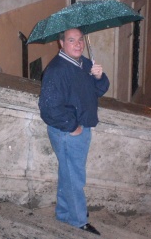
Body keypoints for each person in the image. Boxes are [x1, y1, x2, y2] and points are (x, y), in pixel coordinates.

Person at [38, 28, 110, 236]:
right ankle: (79, 222)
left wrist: (99, 77)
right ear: (61, 43)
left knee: (68, 174)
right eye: (71, 40)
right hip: (68, 132)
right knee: (75, 178)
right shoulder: (57, 70)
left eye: (80, 40)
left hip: (80, 127)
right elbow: (49, 108)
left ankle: (63, 213)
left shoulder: (83, 63)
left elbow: (99, 90)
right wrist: (73, 127)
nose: (78, 44)